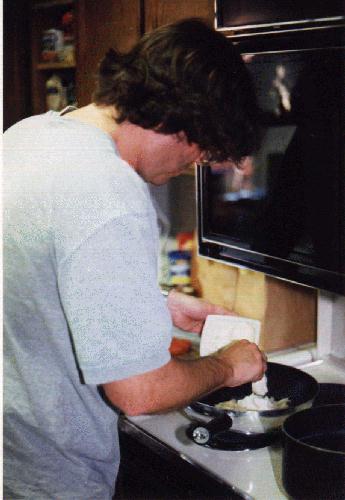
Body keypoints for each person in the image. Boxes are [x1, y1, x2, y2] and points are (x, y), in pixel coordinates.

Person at [4, 18, 265, 500]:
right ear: (177, 120)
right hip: (47, 475)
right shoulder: (110, 191)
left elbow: (35, 280)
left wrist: (155, 303)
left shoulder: (31, 136)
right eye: (200, 151)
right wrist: (229, 365)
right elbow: (140, 391)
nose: (191, 168)